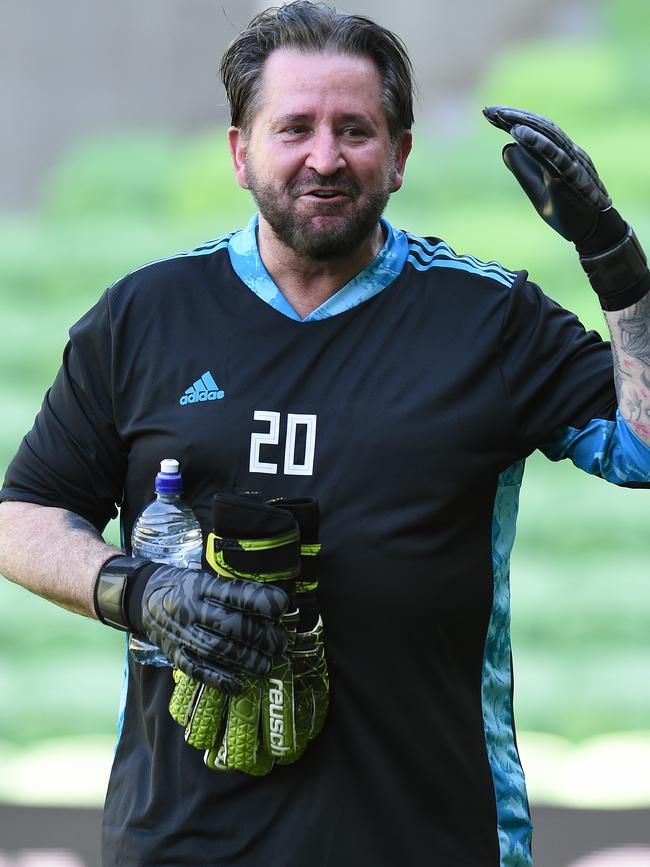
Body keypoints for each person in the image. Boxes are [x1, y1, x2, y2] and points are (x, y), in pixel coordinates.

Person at [1, 2, 649, 864]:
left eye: (355, 129)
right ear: (240, 151)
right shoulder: (144, 316)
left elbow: (641, 448)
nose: (325, 156)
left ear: (403, 153)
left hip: (426, 834)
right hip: (182, 841)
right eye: (293, 127)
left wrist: (612, 256)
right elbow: (24, 515)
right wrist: (140, 593)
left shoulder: (487, 318)